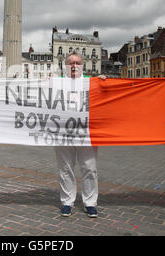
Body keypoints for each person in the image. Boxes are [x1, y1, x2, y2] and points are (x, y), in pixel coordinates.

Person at [55, 51, 100, 218]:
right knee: (65, 168)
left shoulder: (92, 81)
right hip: (62, 132)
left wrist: (104, 82)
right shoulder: (57, 82)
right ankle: (67, 201)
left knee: (89, 168)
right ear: (65, 65)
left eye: (77, 63)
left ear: (82, 65)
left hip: (86, 132)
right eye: (71, 63)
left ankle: (90, 202)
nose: (74, 66)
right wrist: (42, 83)